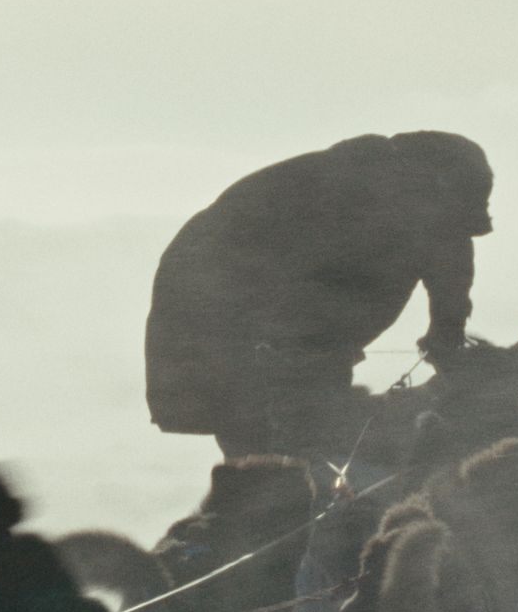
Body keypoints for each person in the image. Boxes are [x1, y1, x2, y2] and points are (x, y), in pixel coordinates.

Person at [143, 131, 494, 461]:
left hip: (281, 329)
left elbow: (450, 255)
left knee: (304, 427)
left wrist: (447, 330)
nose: (449, 236)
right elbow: (292, 311)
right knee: (270, 438)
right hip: (214, 310)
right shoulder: (330, 198)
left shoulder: (418, 204)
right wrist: (302, 365)